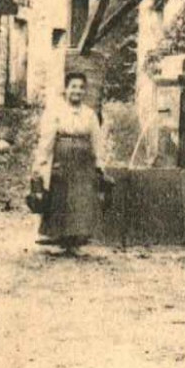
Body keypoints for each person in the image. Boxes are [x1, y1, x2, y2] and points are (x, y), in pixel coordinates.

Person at [32, 71, 107, 254]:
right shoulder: (55, 112)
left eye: (81, 88)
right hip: (62, 159)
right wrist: (40, 163)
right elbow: (47, 140)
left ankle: (76, 239)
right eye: (73, 86)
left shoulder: (89, 115)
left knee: (80, 197)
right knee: (60, 195)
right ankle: (59, 237)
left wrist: (99, 163)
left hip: (83, 162)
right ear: (66, 89)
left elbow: (97, 141)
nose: (77, 91)